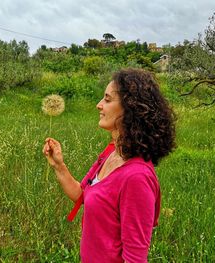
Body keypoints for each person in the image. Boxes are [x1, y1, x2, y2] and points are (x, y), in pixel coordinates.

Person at [42, 68, 176, 263]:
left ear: (131, 108)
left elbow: (135, 259)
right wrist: (58, 165)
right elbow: (82, 195)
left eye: (107, 99)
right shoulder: (111, 154)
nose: (98, 105)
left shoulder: (136, 178)